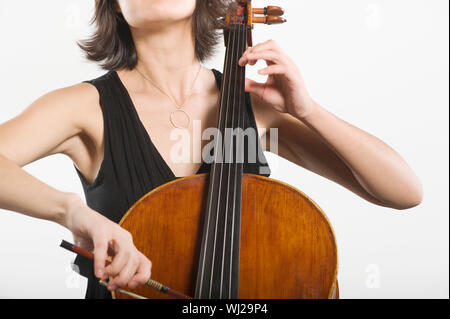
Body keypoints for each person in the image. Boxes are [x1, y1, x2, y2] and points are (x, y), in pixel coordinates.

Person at [0, 0, 422, 299]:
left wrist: (308, 110)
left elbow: (403, 192)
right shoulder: (82, 107)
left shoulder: (254, 106)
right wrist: (73, 212)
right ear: (112, 5)